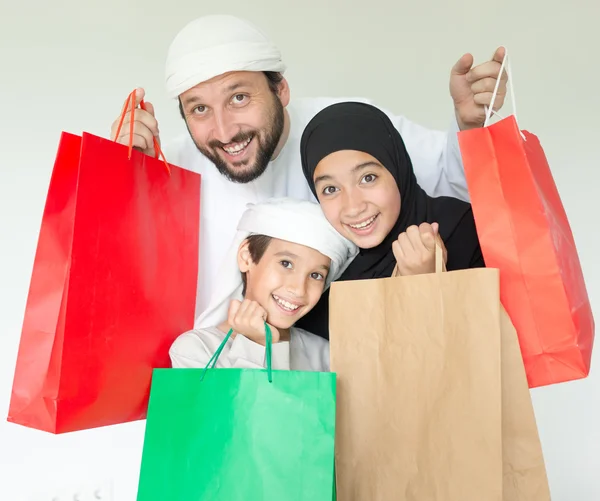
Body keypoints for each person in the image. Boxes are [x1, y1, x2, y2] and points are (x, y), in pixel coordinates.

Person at [109, 14, 507, 317]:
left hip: (337, 376)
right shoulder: (168, 163)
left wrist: (470, 126)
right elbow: (120, 279)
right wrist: (123, 178)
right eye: (199, 109)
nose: (224, 130)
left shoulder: (345, 130)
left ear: (280, 89)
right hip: (205, 385)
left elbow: (455, 184)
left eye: (239, 98)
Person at [296, 101, 484, 339]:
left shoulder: (464, 229)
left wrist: (428, 286)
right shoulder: (320, 270)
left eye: (368, 178)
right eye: (331, 189)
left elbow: (494, 348)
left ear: (397, 168)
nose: (353, 207)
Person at [169, 198, 357, 371]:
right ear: (247, 257)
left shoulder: (326, 355)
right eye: (286, 264)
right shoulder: (196, 350)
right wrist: (256, 345)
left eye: (316, 275)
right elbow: (245, 408)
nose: (299, 289)